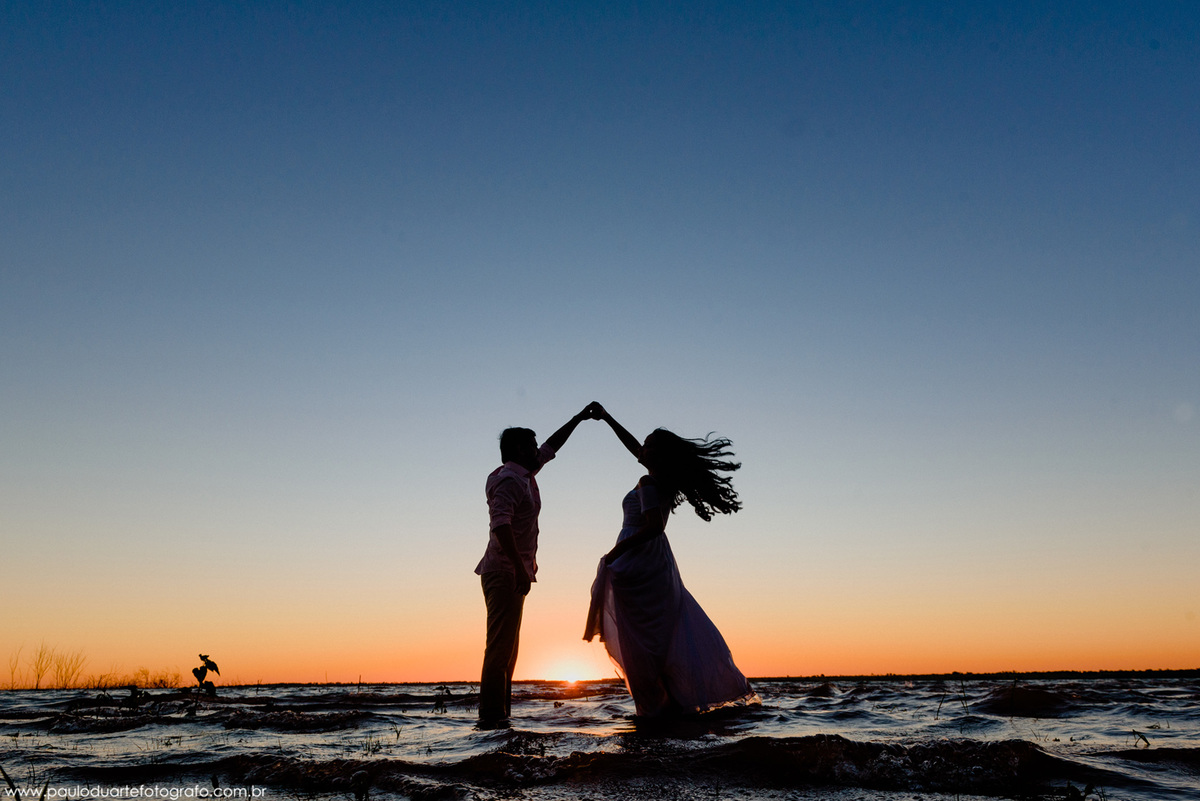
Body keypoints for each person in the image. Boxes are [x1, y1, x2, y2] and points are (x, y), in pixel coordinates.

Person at [584, 404, 760, 717]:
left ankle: (654, 714)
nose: (642, 448)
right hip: (654, 562)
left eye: (649, 445)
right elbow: (634, 447)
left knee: (643, 641)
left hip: (641, 561)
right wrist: (608, 418)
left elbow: (654, 527)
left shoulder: (649, 483)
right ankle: (666, 712)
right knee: (655, 637)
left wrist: (616, 553)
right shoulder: (660, 480)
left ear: (660, 455)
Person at [477, 403, 599, 727]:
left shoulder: (523, 474)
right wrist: (519, 568)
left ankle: (500, 720)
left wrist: (578, 418)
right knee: (500, 649)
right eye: (531, 445)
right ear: (518, 449)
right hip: (504, 571)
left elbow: (550, 447)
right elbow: (500, 525)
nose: (537, 449)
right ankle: (490, 721)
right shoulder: (508, 480)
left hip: (512, 572)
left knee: (509, 652)